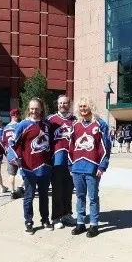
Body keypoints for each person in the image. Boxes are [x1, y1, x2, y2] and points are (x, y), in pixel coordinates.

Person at [8, 98, 53, 234]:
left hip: (45, 167)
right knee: (29, 196)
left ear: (41, 109)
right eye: (32, 108)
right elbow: (11, 143)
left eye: (37, 108)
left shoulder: (46, 124)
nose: (34, 111)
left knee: (44, 196)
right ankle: (28, 221)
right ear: (29, 109)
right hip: (29, 168)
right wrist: (15, 158)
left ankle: (45, 219)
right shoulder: (23, 124)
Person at [68, 96, 111, 238]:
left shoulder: (100, 124)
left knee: (92, 197)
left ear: (91, 106)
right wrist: (70, 165)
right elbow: (71, 146)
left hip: (92, 167)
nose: (82, 109)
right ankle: (80, 223)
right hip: (77, 167)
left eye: (85, 106)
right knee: (80, 196)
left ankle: (94, 224)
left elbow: (105, 147)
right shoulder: (75, 125)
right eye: (80, 107)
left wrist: (102, 166)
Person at [48, 95, 77, 229]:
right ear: (57, 104)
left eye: (65, 103)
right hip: (56, 161)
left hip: (72, 161)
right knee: (57, 190)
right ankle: (56, 217)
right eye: (60, 103)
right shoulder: (51, 120)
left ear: (69, 104)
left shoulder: (75, 120)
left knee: (69, 189)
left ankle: (67, 214)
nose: (62, 105)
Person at [3, 109, 24, 199]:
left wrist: (7, 151)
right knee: (27, 172)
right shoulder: (19, 126)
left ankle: (12, 191)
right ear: (16, 116)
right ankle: (20, 187)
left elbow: (3, 141)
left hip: (10, 154)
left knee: (12, 174)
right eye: (18, 115)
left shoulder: (6, 128)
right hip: (19, 153)